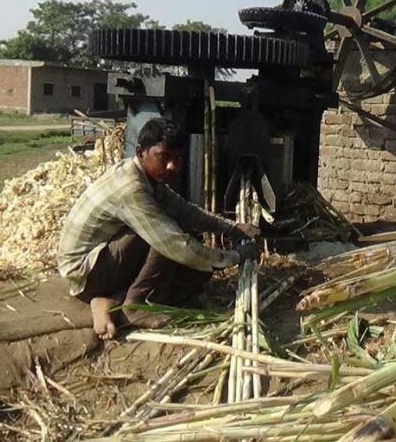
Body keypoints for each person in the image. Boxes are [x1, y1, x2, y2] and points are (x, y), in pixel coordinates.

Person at [58, 117, 260, 339]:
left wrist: (232, 228)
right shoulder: (132, 189)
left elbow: (185, 210)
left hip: (102, 263)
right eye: (164, 157)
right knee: (169, 236)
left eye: (178, 159)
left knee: (195, 275)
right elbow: (175, 244)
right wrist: (235, 257)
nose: (172, 166)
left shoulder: (146, 177)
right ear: (141, 151)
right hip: (87, 273)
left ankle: (111, 300)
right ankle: (134, 307)